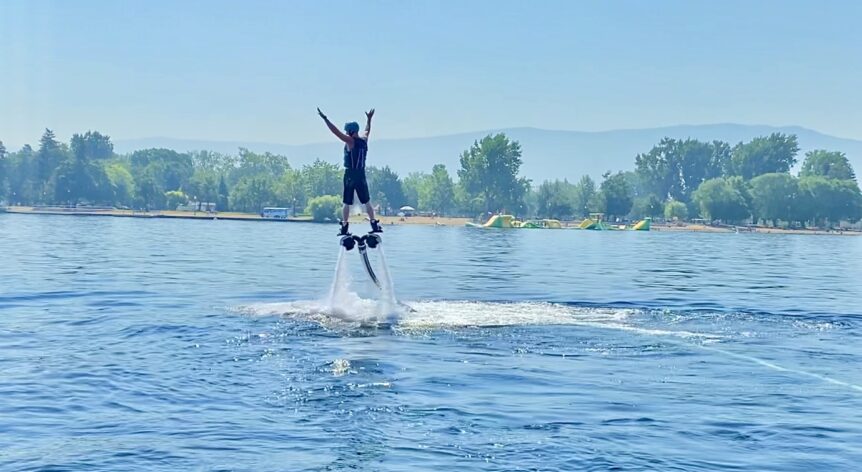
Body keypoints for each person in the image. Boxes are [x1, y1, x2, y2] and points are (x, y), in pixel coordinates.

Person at [317, 107, 382, 236]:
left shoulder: (350, 141)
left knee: (347, 202)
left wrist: (325, 119)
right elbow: (367, 130)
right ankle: (374, 223)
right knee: (367, 201)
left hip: (350, 175)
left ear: (351, 132)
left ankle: (345, 226)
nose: (346, 134)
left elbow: (335, 132)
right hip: (361, 174)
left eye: (347, 132)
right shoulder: (363, 140)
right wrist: (369, 119)